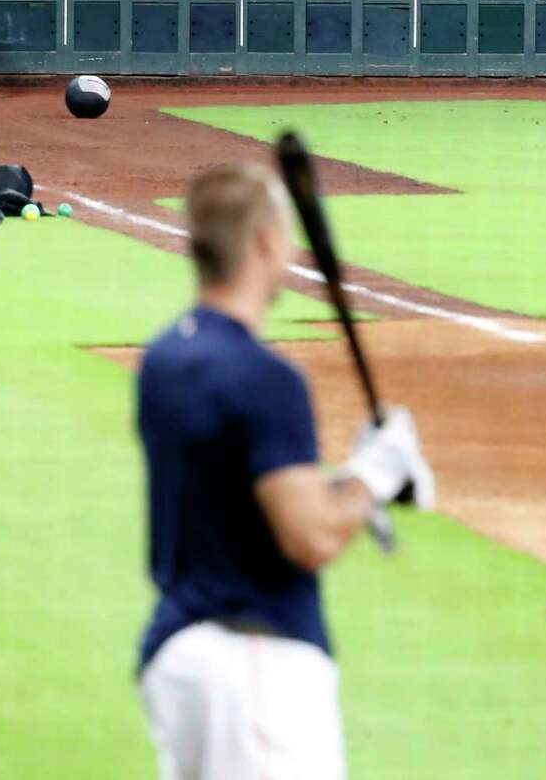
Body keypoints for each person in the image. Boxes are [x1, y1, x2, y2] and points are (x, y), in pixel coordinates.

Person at [138, 163, 435, 778]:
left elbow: (238, 493)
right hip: (254, 668)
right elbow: (310, 537)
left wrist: (353, 481)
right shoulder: (267, 379)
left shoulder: (165, 358)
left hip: (180, 657)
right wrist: (374, 476)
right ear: (265, 241)